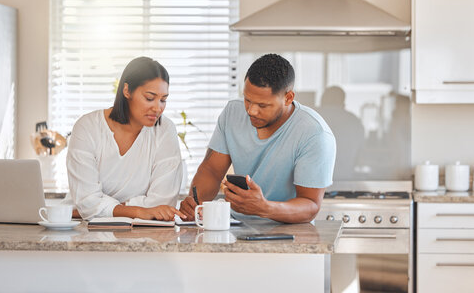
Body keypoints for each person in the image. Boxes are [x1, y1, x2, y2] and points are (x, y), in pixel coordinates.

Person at [179, 54, 336, 223]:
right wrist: (195, 203)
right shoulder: (232, 113)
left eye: (263, 105)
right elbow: (212, 170)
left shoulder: (314, 134)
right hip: (236, 225)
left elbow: (310, 205)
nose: (251, 111)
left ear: (288, 98)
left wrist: (264, 208)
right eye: (247, 100)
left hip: (289, 231)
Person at [66, 57, 185, 221]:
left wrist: (100, 208)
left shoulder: (164, 129)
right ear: (127, 90)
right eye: (150, 98)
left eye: (163, 100)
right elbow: (87, 202)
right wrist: (139, 211)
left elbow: (163, 203)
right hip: (86, 230)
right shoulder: (87, 127)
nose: (158, 108)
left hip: (144, 233)